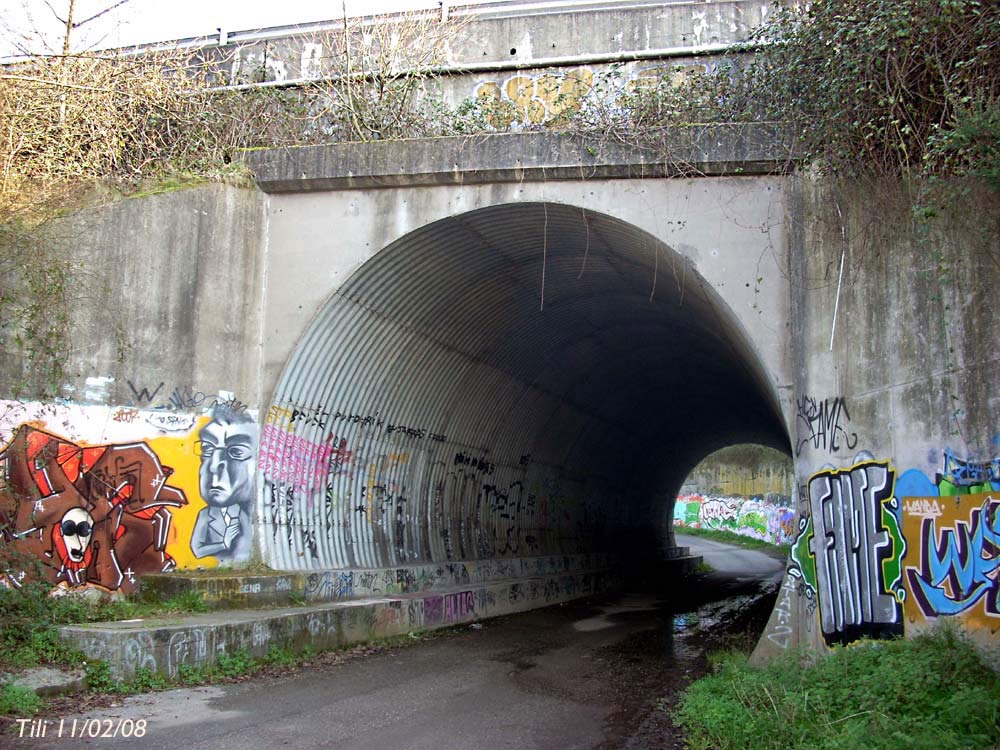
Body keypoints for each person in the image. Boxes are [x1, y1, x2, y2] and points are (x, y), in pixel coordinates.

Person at [191, 405, 257, 561]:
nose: (214, 466)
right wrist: (223, 543)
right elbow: (197, 550)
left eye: (236, 452)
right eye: (207, 448)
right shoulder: (206, 515)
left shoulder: (246, 516)